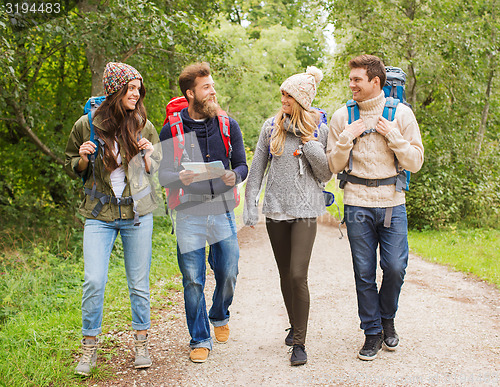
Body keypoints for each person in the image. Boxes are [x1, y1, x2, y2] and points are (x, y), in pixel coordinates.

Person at [65, 62, 161, 375]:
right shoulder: (86, 124)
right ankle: (89, 347)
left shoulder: (143, 124)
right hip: (99, 213)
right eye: (130, 88)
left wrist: (147, 156)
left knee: (138, 283)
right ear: (114, 90)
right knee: (94, 280)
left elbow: (155, 166)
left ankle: (141, 342)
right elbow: (71, 165)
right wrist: (81, 158)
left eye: (138, 88)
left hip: (137, 211)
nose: (136, 94)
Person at [327, 54, 424, 361]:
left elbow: (416, 162)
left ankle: (387, 319)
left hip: (392, 202)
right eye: (351, 78)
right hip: (357, 202)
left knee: (395, 267)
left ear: (375, 82)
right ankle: (372, 332)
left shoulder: (401, 114)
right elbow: (332, 164)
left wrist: (394, 137)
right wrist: (346, 139)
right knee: (364, 272)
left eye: (357, 79)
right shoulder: (342, 115)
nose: (351, 84)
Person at [158, 62, 248, 363]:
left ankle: (220, 314)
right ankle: (199, 338)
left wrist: (233, 176)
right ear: (190, 93)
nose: (212, 91)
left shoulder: (227, 125)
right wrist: (178, 178)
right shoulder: (172, 129)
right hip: (188, 212)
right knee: (193, 279)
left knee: (229, 270)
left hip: (221, 209)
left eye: (212, 86)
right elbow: (163, 175)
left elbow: (241, 165)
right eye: (206, 87)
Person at [243, 67, 332, 366]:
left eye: (289, 95)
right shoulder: (271, 127)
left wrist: (309, 145)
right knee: (284, 275)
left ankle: (299, 343)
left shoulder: (318, 129)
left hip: (306, 210)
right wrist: (249, 202)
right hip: (276, 209)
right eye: (282, 93)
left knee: (297, 275)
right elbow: (257, 168)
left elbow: (326, 173)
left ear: (302, 100)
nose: (283, 99)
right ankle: (295, 327)